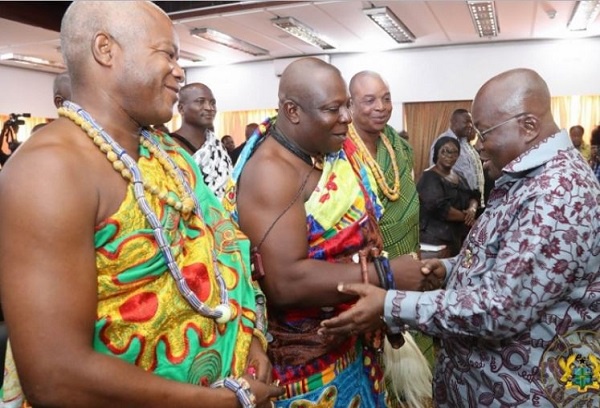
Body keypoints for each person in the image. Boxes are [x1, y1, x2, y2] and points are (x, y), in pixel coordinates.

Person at [0, 2, 282, 407]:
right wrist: (222, 402)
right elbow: (55, 376)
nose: (180, 71)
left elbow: (226, 247)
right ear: (105, 49)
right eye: (167, 53)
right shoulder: (50, 169)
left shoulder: (166, 150)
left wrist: (252, 338)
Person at [319, 68, 600, 407]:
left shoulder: (558, 194)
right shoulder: (532, 177)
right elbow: (509, 261)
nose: (479, 147)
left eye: (485, 133)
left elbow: (500, 308)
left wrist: (390, 305)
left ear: (528, 127)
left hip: (525, 391)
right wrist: (450, 269)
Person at [223, 57, 436, 407]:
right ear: (292, 111)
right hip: (306, 372)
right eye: (332, 109)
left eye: (346, 106)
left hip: (351, 345)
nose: (346, 118)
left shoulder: (323, 154)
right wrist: (385, 273)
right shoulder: (272, 172)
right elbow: (285, 283)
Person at [347, 72, 434, 404]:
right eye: (369, 100)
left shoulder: (399, 147)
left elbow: (406, 204)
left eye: (386, 97)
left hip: (409, 266)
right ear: (351, 104)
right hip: (367, 273)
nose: (381, 107)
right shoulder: (339, 152)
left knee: (420, 362)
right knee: (378, 368)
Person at [417, 136, 480, 256]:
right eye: (445, 151)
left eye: (454, 152)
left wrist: (472, 209)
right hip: (434, 240)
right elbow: (439, 208)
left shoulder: (459, 176)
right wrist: (468, 218)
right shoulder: (429, 177)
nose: (449, 155)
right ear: (437, 153)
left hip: (456, 238)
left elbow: (473, 195)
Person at [170, 82, 232, 198]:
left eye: (212, 103)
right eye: (200, 101)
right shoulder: (168, 146)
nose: (209, 108)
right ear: (181, 108)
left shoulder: (217, 146)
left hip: (224, 215)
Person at [429, 108, 485, 210]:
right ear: (454, 122)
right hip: (456, 207)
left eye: (471, 122)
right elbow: (438, 177)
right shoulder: (443, 143)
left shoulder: (466, 144)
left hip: (473, 204)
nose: (470, 125)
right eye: (466, 122)